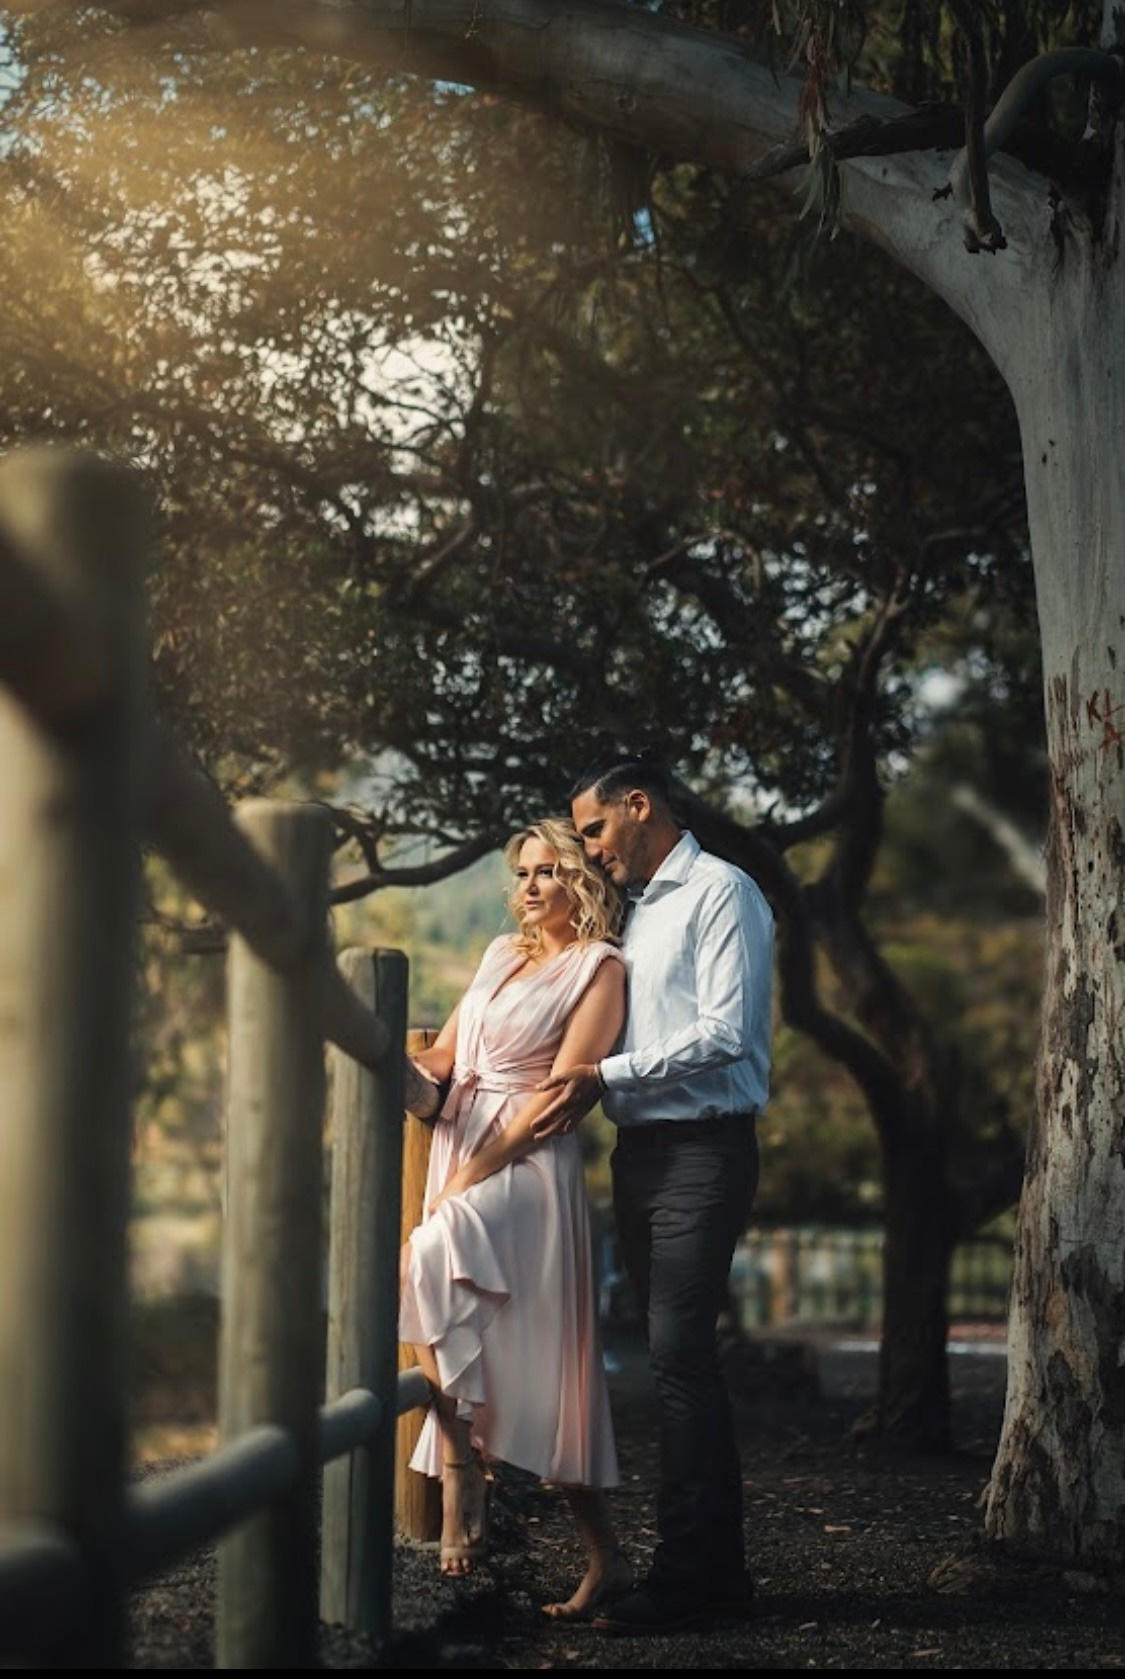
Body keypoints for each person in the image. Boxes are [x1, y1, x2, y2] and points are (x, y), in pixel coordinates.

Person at [531, 752, 774, 1637]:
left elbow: (726, 1030)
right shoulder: (636, 914)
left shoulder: (722, 892)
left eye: (594, 828)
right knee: (671, 1360)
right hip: (638, 1153)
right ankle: (716, 1573)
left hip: (704, 1149)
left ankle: (690, 1575)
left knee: (677, 1356)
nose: (590, 850)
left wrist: (607, 1070)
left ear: (639, 806)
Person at [398, 817, 635, 1621]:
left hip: (523, 1161)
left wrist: (468, 1170)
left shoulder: (601, 968)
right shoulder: (499, 954)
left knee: (511, 1330)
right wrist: (379, 1056)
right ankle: (593, 1548)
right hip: (462, 1133)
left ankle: (476, 1481)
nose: (528, 887)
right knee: (439, 1274)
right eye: (522, 873)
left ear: (581, 882)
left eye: (545, 872)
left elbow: (558, 1094)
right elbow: (445, 1062)